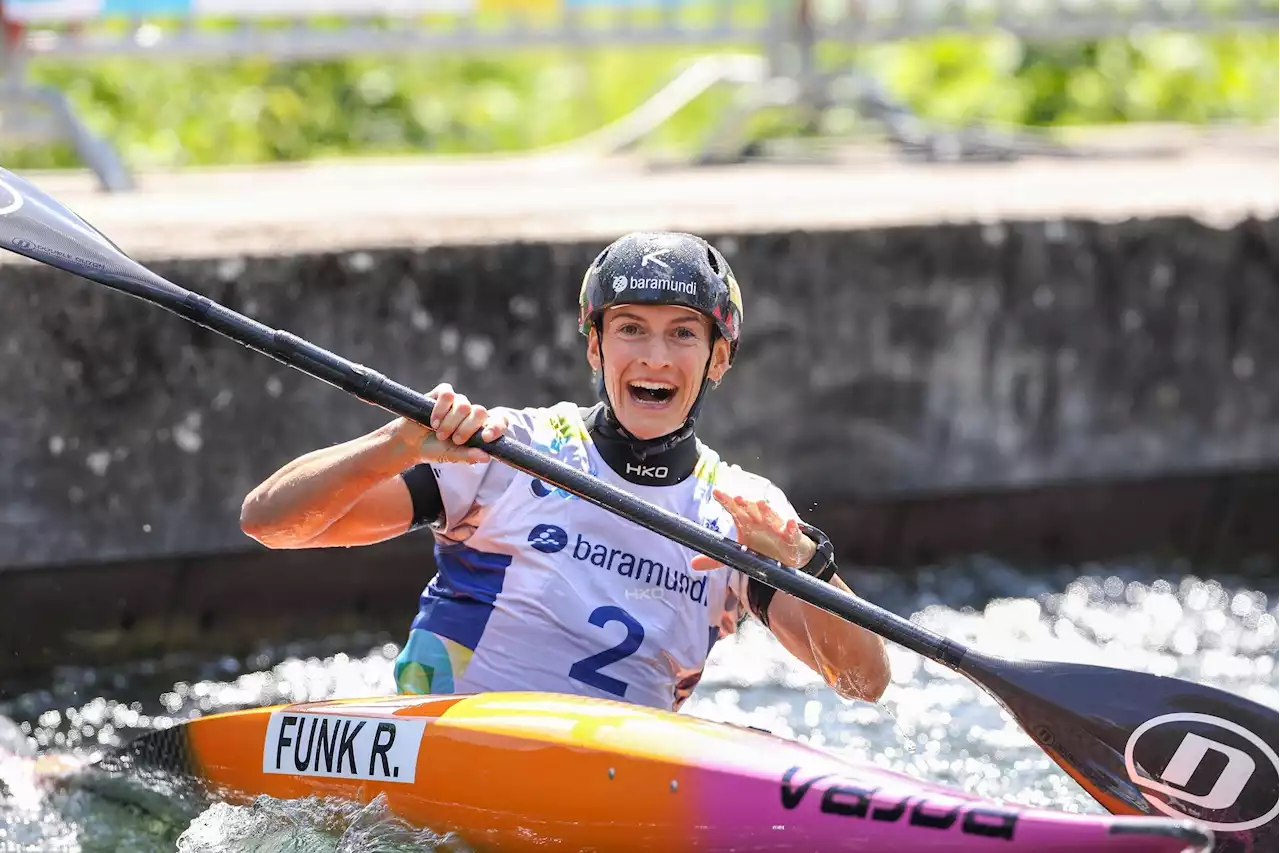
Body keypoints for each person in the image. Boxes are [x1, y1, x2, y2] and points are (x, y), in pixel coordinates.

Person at [239, 231, 891, 712]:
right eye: (631, 328)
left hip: (606, 793)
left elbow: (865, 683)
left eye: (684, 334)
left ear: (719, 360)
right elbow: (269, 522)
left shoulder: (738, 511)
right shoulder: (502, 450)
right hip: (444, 756)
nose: (655, 357)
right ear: (595, 347)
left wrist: (810, 568)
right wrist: (395, 444)